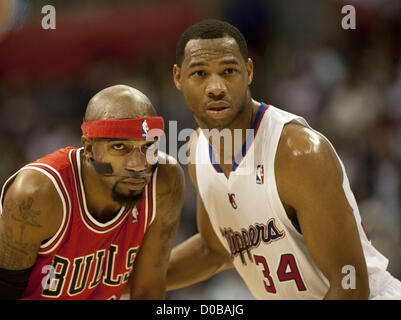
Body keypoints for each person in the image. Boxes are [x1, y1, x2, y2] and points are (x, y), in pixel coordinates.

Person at [167, 19, 401, 299]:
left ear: (249, 71)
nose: (215, 87)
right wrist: (124, 281)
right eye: (200, 73)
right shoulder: (198, 150)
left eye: (228, 71)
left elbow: (350, 285)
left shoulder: (298, 153)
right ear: (178, 78)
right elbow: (213, 251)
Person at [0, 84, 184, 300]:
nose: (138, 164)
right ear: (88, 148)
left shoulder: (163, 181)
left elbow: (148, 291)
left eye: (148, 146)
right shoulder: (38, 194)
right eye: (119, 147)